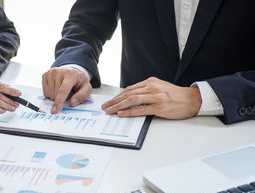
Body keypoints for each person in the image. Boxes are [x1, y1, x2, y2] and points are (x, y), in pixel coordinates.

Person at [42, 0, 255, 124]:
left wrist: (199, 97)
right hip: (133, 124)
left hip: (231, 131)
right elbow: (87, 22)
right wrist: (75, 65)